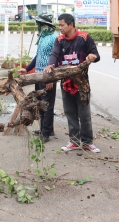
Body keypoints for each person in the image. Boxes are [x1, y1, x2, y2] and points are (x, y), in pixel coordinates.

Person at [44, 13, 101, 153]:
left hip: (82, 84)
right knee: (70, 113)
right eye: (59, 25)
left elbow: (96, 54)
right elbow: (54, 54)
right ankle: (74, 141)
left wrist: (92, 56)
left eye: (62, 25)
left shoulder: (84, 37)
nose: (60, 28)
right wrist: (51, 64)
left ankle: (87, 142)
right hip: (66, 83)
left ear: (71, 24)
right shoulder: (59, 40)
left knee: (84, 115)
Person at [19, 14, 59, 142]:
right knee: (40, 102)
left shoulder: (55, 37)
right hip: (38, 75)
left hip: (48, 75)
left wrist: (52, 77)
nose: (38, 26)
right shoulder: (42, 37)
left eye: (40, 24)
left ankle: (45, 133)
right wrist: (27, 69)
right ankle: (46, 129)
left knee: (47, 104)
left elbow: (57, 57)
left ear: (46, 25)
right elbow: (38, 56)